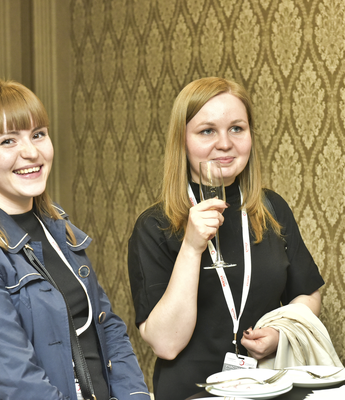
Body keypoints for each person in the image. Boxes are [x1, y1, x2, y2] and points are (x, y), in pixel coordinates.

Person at [0, 79, 150, 400]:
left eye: (38, 134)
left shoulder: (57, 224)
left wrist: (135, 395)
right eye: (8, 141)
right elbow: (17, 383)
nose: (31, 152)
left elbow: (107, 325)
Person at [127, 77, 324, 400]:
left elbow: (307, 294)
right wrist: (192, 247)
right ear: (181, 141)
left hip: (267, 388)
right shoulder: (155, 226)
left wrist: (281, 334)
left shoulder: (271, 208)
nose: (225, 143)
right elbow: (166, 343)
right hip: (192, 393)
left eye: (236, 129)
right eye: (207, 131)